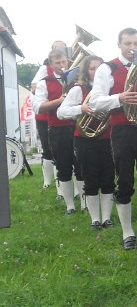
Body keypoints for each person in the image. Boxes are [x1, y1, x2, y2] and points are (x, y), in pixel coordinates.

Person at [88, 28, 137, 249]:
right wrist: (120, 97)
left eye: (136, 43)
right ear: (119, 44)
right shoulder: (107, 68)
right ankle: (128, 233)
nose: (133, 48)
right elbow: (95, 102)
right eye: (128, 43)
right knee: (124, 181)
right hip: (122, 130)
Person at [57, 55, 115, 230]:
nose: (96, 71)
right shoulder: (78, 90)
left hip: (108, 138)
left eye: (99, 68)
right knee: (90, 178)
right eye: (92, 68)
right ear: (86, 71)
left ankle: (107, 218)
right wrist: (80, 108)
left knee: (108, 179)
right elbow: (61, 112)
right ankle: (94, 219)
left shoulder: (110, 89)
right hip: (84, 139)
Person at [32, 49, 80, 214]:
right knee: (63, 167)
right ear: (51, 65)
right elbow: (38, 107)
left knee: (80, 165)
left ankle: (85, 202)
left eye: (64, 62)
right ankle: (70, 206)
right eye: (58, 63)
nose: (62, 66)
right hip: (57, 129)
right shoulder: (45, 82)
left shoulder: (76, 78)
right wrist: (58, 101)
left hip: (77, 126)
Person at [31, 40, 68, 192]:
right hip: (47, 117)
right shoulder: (44, 69)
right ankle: (48, 182)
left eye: (62, 49)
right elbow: (34, 87)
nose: (61, 64)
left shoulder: (72, 71)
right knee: (49, 150)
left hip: (67, 120)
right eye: (56, 48)